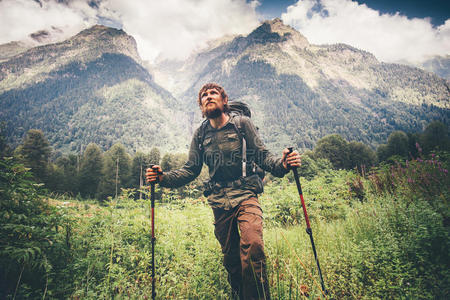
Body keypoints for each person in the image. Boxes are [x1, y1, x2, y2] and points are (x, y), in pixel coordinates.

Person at [146, 83, 301, 300]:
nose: (208, 97)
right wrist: (163, 178)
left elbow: (263, 157)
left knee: (253, 246)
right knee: (231, 259)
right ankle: (238, 294)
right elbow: (191, 169)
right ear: (201, 106)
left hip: (246, 194)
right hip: (219, 201)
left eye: (213, 94)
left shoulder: (242, 124)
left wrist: (284, 163)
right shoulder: (200, 134)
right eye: (204, 96)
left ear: (224, 101)